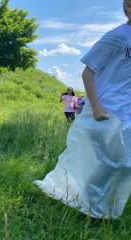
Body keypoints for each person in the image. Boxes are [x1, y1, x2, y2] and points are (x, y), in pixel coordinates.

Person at [35, 0, 131, 219]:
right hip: (107, 109)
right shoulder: (117, 36)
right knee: (104, 160)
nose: (129, 7)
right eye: (127, 3)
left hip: (127, 111)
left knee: (126, 164)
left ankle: (104, 208)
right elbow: (88, 72)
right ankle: (90, 208)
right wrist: (96, 107)